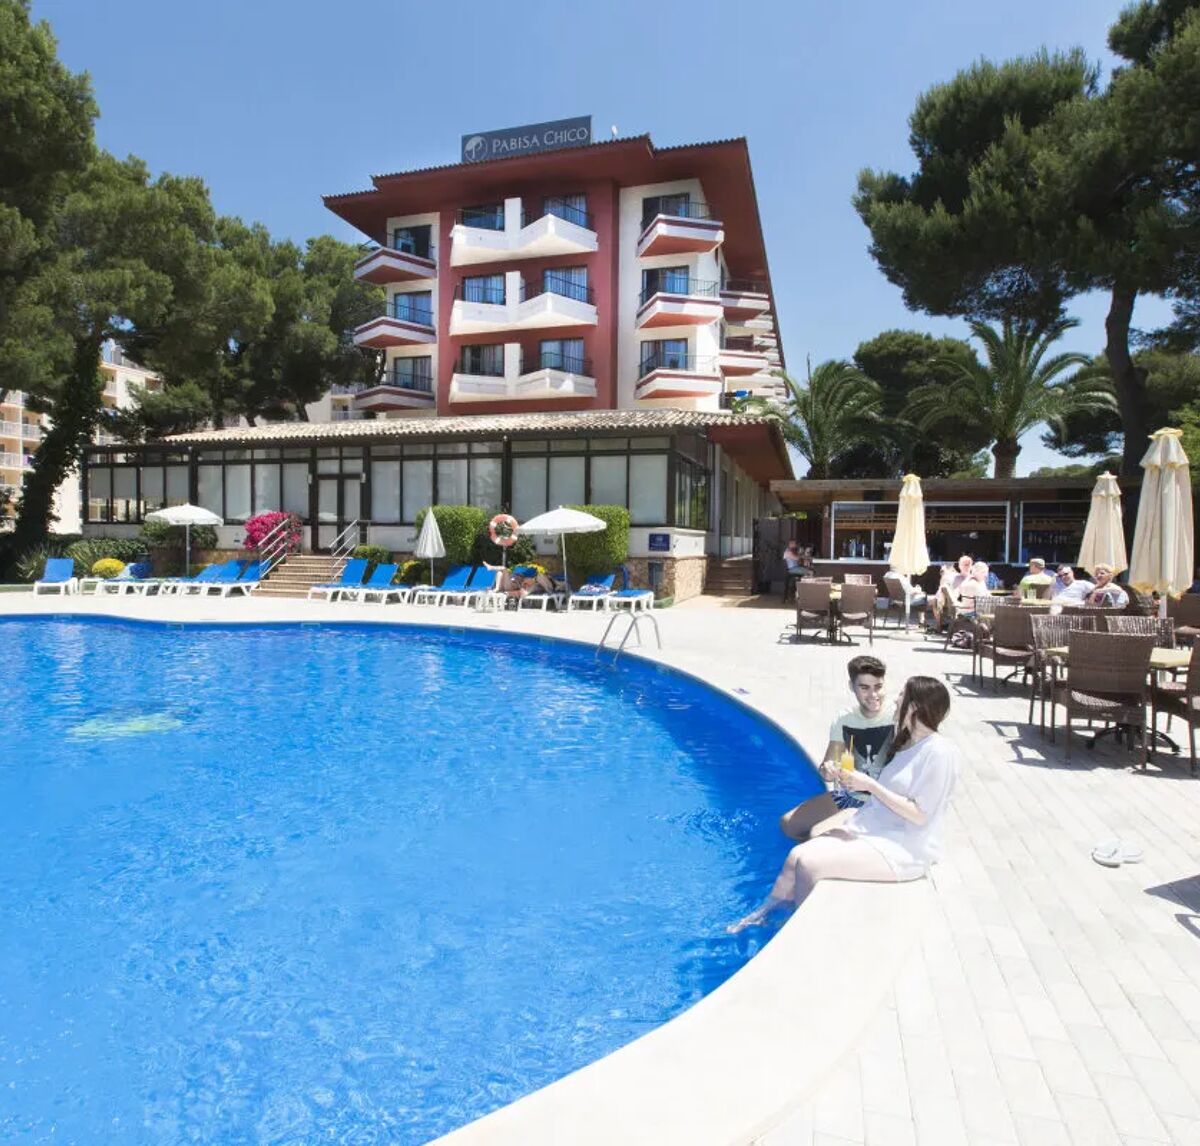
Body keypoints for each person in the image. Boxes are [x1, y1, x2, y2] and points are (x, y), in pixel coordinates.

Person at [729, 677, 959, 932]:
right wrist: (846, 777)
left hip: (903, 847)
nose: (896, 699)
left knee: (810, 864)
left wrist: (871, 786)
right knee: (795, 856)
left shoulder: (939, 752)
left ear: (914, 706)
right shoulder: (906, 741)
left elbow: (920, 815)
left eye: (902, 695)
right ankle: (763, 913)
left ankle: (801, 929)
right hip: (874, 826)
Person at [779, 655, 893, 841]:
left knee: (818, 835)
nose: (873, 695)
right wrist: (828, 769)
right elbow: (827, 768)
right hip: (848, 796)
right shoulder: (844, 719)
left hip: (881, 802)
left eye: (878, 687)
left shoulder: (896, 717)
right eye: (864, 688)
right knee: (788, 824)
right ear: (852, 687)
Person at [930, 555, 973, 629]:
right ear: (960, 566)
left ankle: (945, 624)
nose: (967, 567)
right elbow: (945, 586)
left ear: (971, 566)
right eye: (965, 565)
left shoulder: (973, 578)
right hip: (955, 602)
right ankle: (941, 624)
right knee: (936, 599)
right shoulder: (954, 577)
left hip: (969, 602)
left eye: (969, 565)